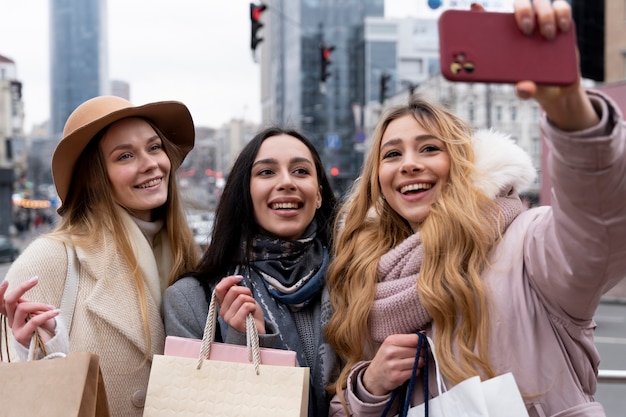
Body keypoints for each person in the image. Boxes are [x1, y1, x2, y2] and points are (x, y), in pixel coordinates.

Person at [325, 1, 626, 416]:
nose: (409, 163)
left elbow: (600, 222)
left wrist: (570, 111)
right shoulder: (367, 272)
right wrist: (368, 387)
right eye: (391, 154)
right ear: (378, 176)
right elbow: (342, 404)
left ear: (462, 164)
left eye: (430, 148)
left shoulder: (526, 243)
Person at [1, 96, 201, 417]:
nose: (150, 163)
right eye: (125, 156)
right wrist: (26, 353)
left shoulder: (187, 255)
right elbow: (12, 385)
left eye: (154, 147)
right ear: (95, 176)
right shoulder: (51, 258)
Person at [163, 127, 339, 417]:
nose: (286, 182)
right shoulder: (192, 301)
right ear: (244, 193)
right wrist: (247, 342)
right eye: (267, 172)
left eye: (300, 171)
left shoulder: (356, 280)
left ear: (318, 195)